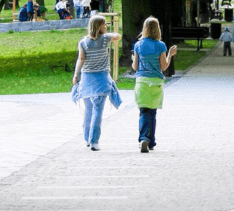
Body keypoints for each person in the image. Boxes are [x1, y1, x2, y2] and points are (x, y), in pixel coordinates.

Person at [72, 15, 122, 151]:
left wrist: (76, 75)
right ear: (98, 26)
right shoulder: (105, 39)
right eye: (104, 24)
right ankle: (94, 141)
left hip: (86, 79)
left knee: (88, 110)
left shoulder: (83, 42)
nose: (106, 26)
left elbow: (80, 60)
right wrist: (111, 32)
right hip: (102, 79)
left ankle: (87, 139)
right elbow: (118, 36)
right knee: (98, 110)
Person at [131, 17, 177, 153]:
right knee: (152, 112)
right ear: (158, 29)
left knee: (143, 111)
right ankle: (151, 141)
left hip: (142, 81)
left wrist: (134, 59)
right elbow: (164, 67)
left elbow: (135, 67)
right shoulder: (160, 45)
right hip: (156, 81)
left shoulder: (138, 45)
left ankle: (144, 137)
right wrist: (170, 55)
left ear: (144, 29)